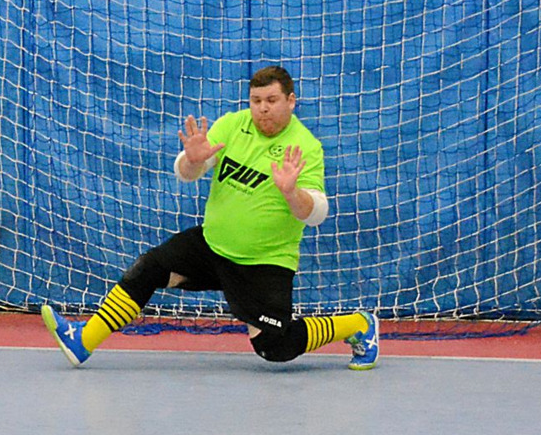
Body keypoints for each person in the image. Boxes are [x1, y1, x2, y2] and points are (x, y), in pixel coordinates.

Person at [41, 65, 378, 370]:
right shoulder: (232, 125)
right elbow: (188, 172)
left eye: (272, 100)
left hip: (264, 262)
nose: (262, 108)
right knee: (149, 268)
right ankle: (84, 340)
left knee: (275, 347)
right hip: (212, 246)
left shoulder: (305, 146)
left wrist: (291, 192)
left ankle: (359, 325)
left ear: (291, 101)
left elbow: (317, 213)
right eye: (256, 100)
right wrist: (192, 160)